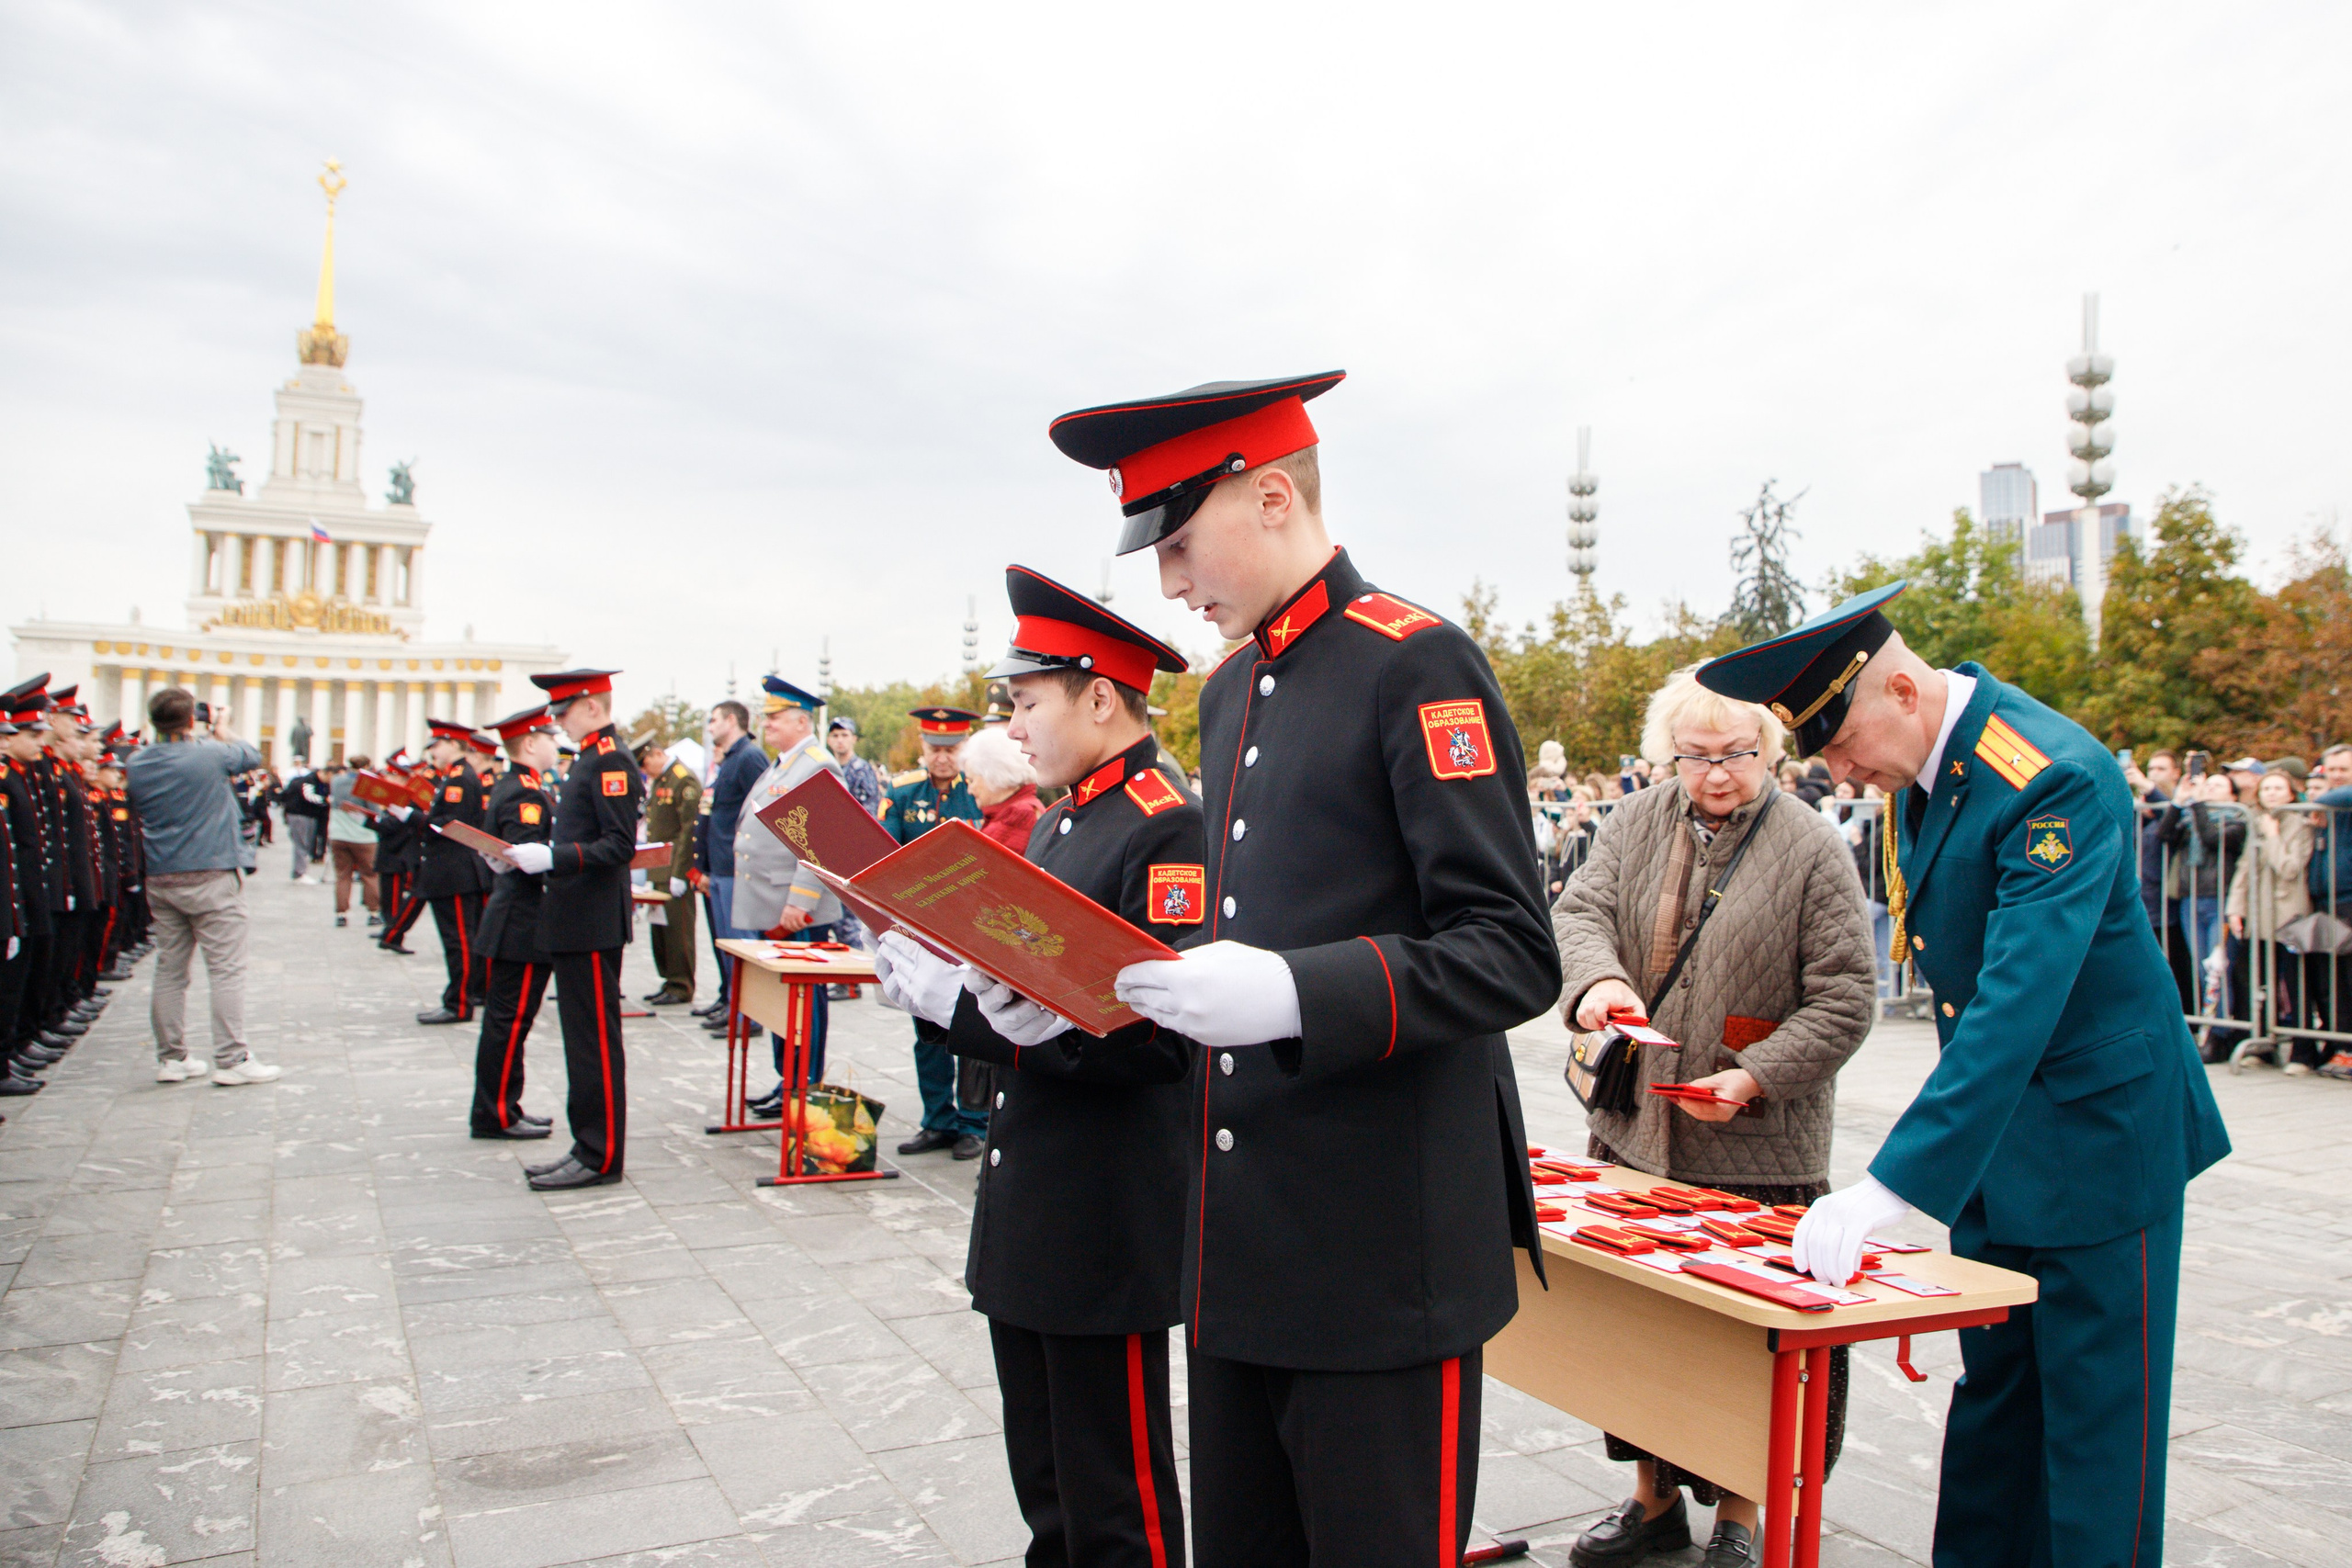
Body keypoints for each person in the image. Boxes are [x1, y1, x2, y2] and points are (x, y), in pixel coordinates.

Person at [1049, 370, 1558, 1566]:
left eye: (1178, 544)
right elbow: (1240, 920)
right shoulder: (1231, 688)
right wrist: (1082, 995)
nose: (1170, 585)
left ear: (1273, 496)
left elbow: (1508, 945)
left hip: (1379, 1252)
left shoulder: (1415, 663)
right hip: (1241, 1247)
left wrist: (1295, 993)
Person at [1699, 581, 2230, 1568]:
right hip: (2001, 1144)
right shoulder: (1922, 771)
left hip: (2103, 1143)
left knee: (2095, 1433)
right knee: (1995, 1410)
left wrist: (1895, 1183)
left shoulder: (2051, 776)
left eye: (1843, 743)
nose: (1841, 772)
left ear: (1902, 690)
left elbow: (2016, 1002)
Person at [875, 565, 1200, 1568]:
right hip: (1034, 1194)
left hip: (1103, 1209)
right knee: (1049, 1487)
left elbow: (1162, 1041)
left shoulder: (1165, 822)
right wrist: (953, 986)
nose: (1013, 729)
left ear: (1099, 698)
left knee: (1115, 1502)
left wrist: (984, 1014)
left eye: (1026, 704)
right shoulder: (1062, 817)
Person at [1550, 667, 1874, 1568]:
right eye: (1695, 757)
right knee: (1641, 1325)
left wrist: (1755, 1076)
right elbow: (1579, 915)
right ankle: (1650, 1500)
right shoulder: (1633, 820)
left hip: (1759, 1146)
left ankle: (1741, 1509)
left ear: (1767, 749)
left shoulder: (1812, 845)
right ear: (1668, 754)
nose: (1716, 774)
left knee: (1748, 1338)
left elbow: (1846, 996)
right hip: (1638, 1128)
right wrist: (1599, 982)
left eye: (1735, 754)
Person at [503, 670, 645, 1190]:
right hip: (576, 919)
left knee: (594, 1044)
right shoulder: (589, 757)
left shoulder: (610, 760)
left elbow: (619, 845)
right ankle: (587, 1144)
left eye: (563, 712)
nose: (558, 722)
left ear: (591, 706)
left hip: (592, 921)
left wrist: (553, 858)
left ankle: (600, 1154)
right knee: (580, 1042)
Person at [124, 685, 280, 1086]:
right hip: (211, 871)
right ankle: (232, 1058)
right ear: (192, 719)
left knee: (170, 969)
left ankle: (172, 1058)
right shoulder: (210, 753)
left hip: (162, 873)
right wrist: (223, 729)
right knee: (226, 970)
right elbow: (252, 755)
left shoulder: (136, 762)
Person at [729, 677, 842, 1112]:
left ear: (801, 721)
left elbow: (823, 839)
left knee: (802, 1000)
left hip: (793, 908)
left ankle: (803, 1085)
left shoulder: (816, 764)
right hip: (772, 902)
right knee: (781, 1000)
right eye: (767, 716)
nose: (767, 723)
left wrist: (801, 900)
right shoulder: (783, 764)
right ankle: (788, 1081)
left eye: (776, 717)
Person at [882, 707, 989, 1156]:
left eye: (951, 749)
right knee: (927, 1028)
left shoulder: (979, 789)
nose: (942, 757)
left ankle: (974, 1124)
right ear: (923, 748)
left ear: (964, 748)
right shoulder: (904, 792)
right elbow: (886, 851)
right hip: (921, 927)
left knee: (975, 1028)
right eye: (934, 749)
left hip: (973, 927)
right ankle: (937, 1120)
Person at [469, 705, 563, 1140]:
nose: (555, 744)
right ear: (529, 743)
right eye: (549, 737)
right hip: (523, 922)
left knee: (509, 1021)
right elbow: (527, 859)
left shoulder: (517, 785)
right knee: (509, 1023)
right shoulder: (524, 793)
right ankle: (496, 1114)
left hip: (515, 919)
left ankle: (504, 1106)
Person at [2226, 767, 2314, 1069]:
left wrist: (2274, 836)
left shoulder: (2301, 824)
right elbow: (2244, 868)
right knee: (2259, 981)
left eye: (2278, 788)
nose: (2271, 794)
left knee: (2295, 984)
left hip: (2290, 917)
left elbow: (2289, 868)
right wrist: (2235, 908)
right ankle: (2262, 1045)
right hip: (2259, 915)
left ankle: (2303, 1051)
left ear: (2291, 793)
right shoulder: (2257, 821)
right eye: (2266, 789)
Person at [0, 682, 63, 1095]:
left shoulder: (14, 776)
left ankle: (13, 1050)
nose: (6, 744)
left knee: (18, 982)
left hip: (19, 899)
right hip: (13, 900)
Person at [413, 719, 497, 1025]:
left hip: (455, 870)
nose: (433, 751)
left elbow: (450, 824)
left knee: (459, 941)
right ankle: (463, 997)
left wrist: (412, 817)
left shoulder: (460, 778)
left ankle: (460, 1003)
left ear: (452, 743)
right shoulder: (456, 775)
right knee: (459, 939)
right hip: (452, 870)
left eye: (437, 744)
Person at [695, 699, 765, 1028]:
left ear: (732, 720)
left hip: (738, 867)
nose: (710, 727)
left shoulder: (749, 757)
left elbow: (761, 811)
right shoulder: (730, 759)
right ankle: (733, 1003)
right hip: (722, 866)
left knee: (742, 944)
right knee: (728, 945)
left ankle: (748, 1014)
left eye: (714, 720)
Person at [2161, 770, 2246, 1033]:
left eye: (2218, 785)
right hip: (2191, 900)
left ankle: (2221, 1033)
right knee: (2201, 967)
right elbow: (2164, 835)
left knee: (2218, 969)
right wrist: (2178, 802)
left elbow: (2212, 838)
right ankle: (2211, 1028)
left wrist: (2197, 804)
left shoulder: (2238, 820)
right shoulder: (2190, 818)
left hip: (2220, 901)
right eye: (2207, 784)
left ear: (2233, 795)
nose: (2209, 788)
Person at [633, 730, 701, 1007]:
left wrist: (681, 872)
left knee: (677, 929)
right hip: (660, 868)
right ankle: (669, 979)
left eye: (645, 763)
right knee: (661, 929)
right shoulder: (662, 779)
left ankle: (681, 984)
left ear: (657, 754)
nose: (644, 770)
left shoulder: (682, 779)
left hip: (675, 868)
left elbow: (688, 829)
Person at [963, 728, 1043, 852]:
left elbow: (984, 861)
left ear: (994, 776)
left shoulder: (1018, 815)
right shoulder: (1017, 809)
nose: (969, 790)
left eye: (971, 781)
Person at [325, 757, 379, 928]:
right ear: (366, 766)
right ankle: (373, 912)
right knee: (370, 875)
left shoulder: (336, 780)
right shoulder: (368, 783)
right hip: (363, 836)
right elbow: (374, 810)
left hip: (339, 833)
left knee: (342, 875)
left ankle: (341, 914)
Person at [283, 761, 329, 882]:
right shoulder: (309, 780)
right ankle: (300, 873)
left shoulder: (317, 781)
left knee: (306, 843)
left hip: (308, 815)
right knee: (302, 843)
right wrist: (325, 800)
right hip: (300, 814)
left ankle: (300, 871)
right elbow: (308, 796)